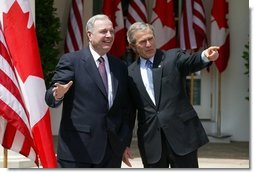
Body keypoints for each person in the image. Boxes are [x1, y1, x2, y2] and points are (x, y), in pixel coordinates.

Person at [125, 22, 219, 168]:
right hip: (151, 141)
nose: (149, 44)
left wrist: (205, 56)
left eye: (151, 38)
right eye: (143, 42)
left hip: (181, 136)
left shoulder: (172, 57)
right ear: (132, 46)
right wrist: (125, 144)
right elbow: (129, 113)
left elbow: (190, 62)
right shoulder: (130, 73)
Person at [45, 14, 132, 168]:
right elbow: (51, 95)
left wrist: (123, 142)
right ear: (89, 35)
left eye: (111, 31)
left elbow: (125, 109)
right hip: (78, 151)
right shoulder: (72, 61)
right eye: (103, 31)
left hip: (111, 153)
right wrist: (57, 94)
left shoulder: (120, 66)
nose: (109, 35)